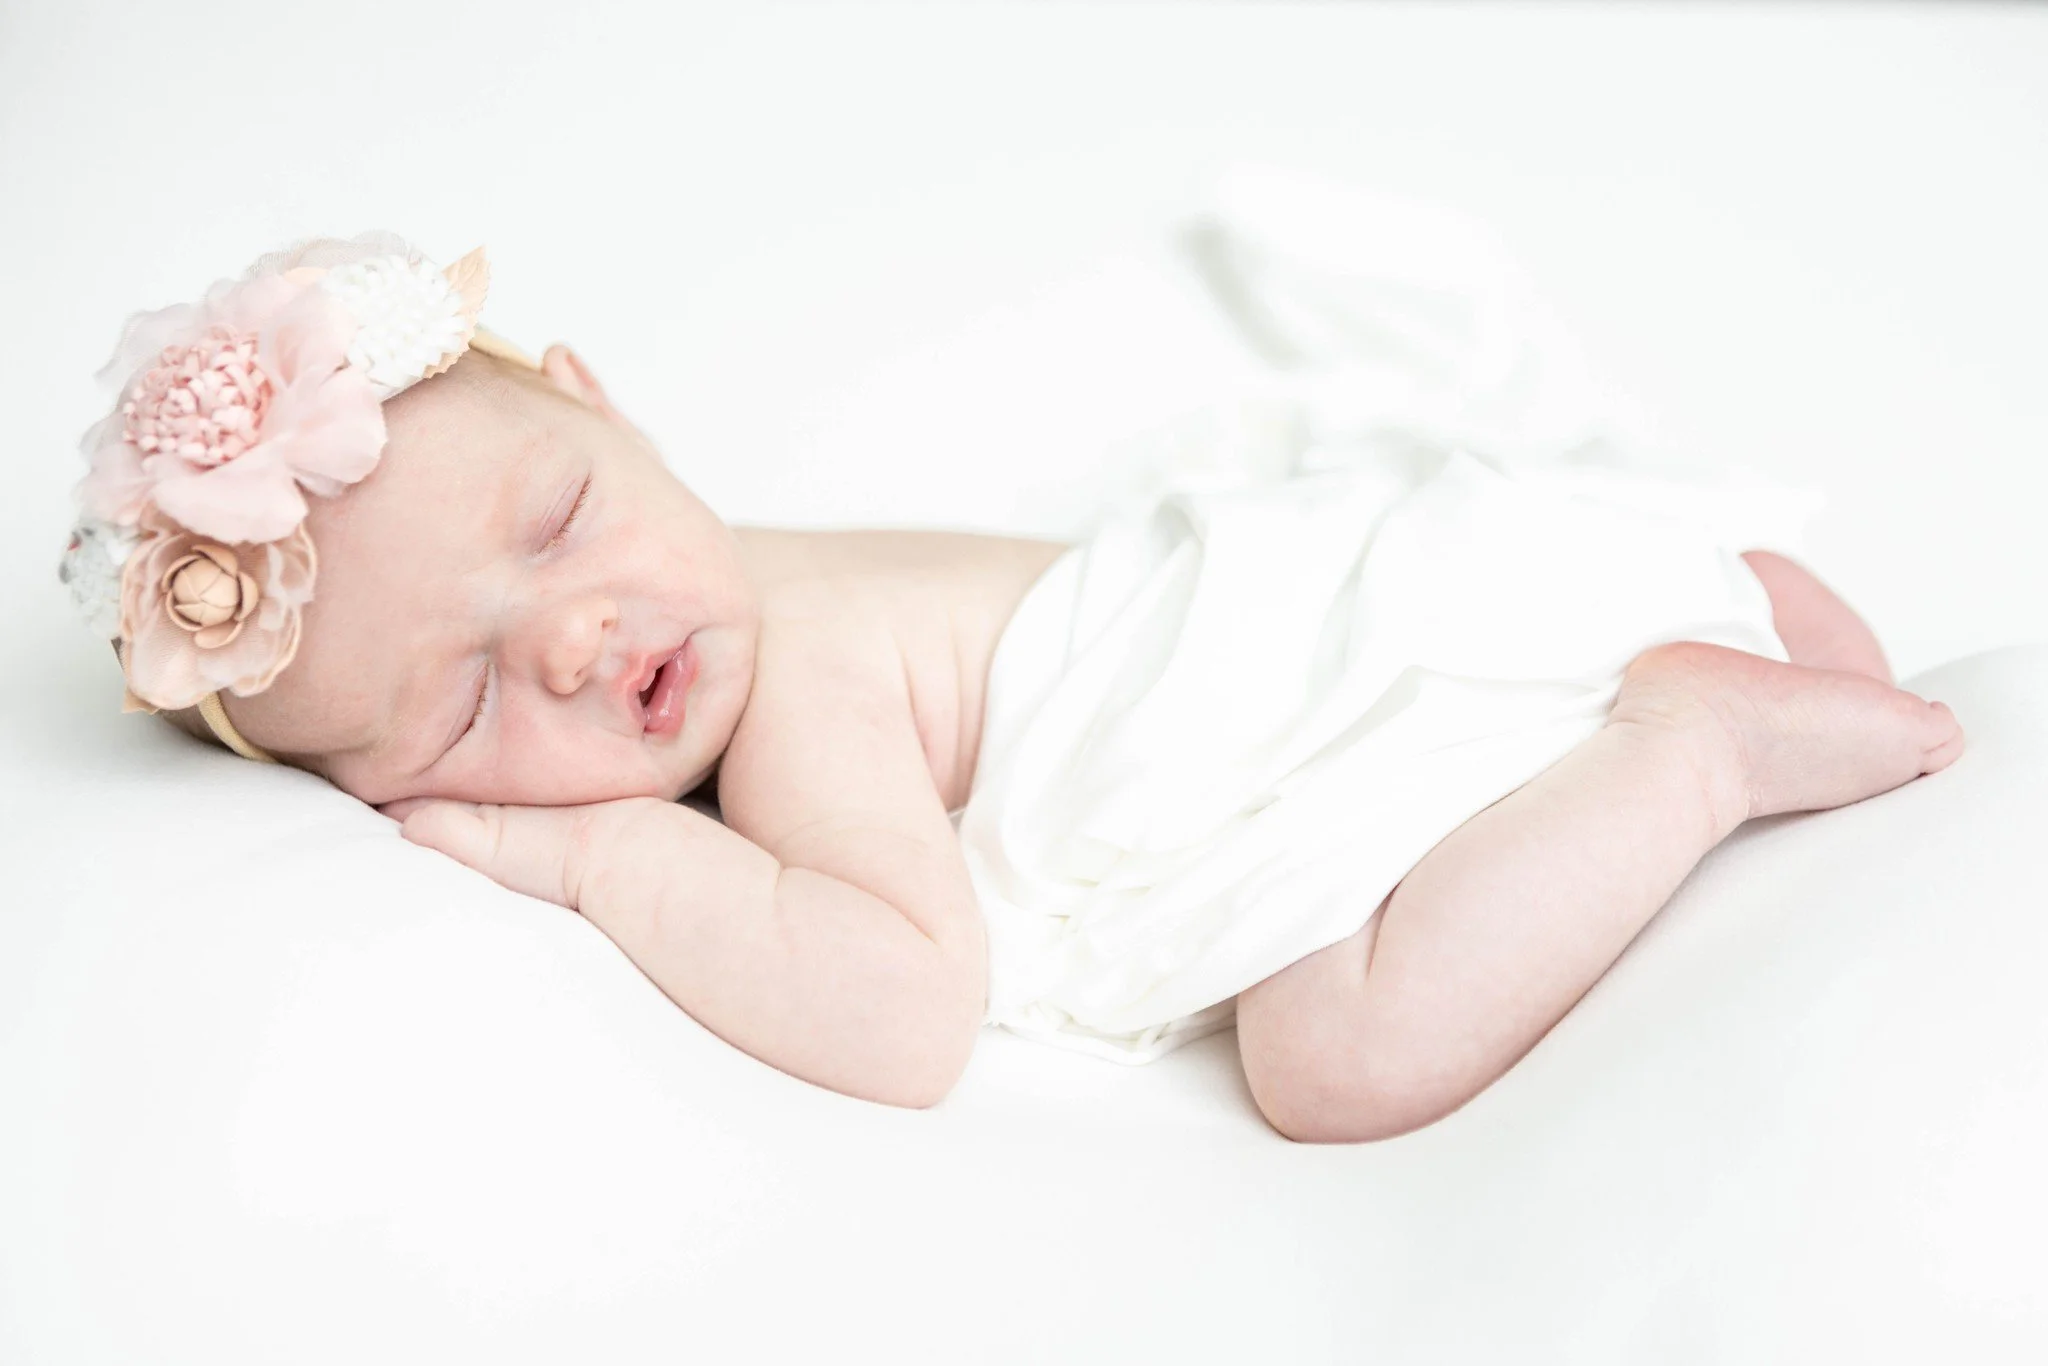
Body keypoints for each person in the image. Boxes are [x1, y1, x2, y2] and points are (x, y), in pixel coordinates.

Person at [61, 234, 1963, 1143]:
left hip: (1258, 696)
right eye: (469, 710)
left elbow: (900, 1008)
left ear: (612, 404)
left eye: (560, 517)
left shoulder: (791, 681)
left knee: (1333, 1048)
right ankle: (1693, 597)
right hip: (1327, 593)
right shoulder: (742, 572)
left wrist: (593, 866)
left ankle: (1686, 746)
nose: (566, 641)